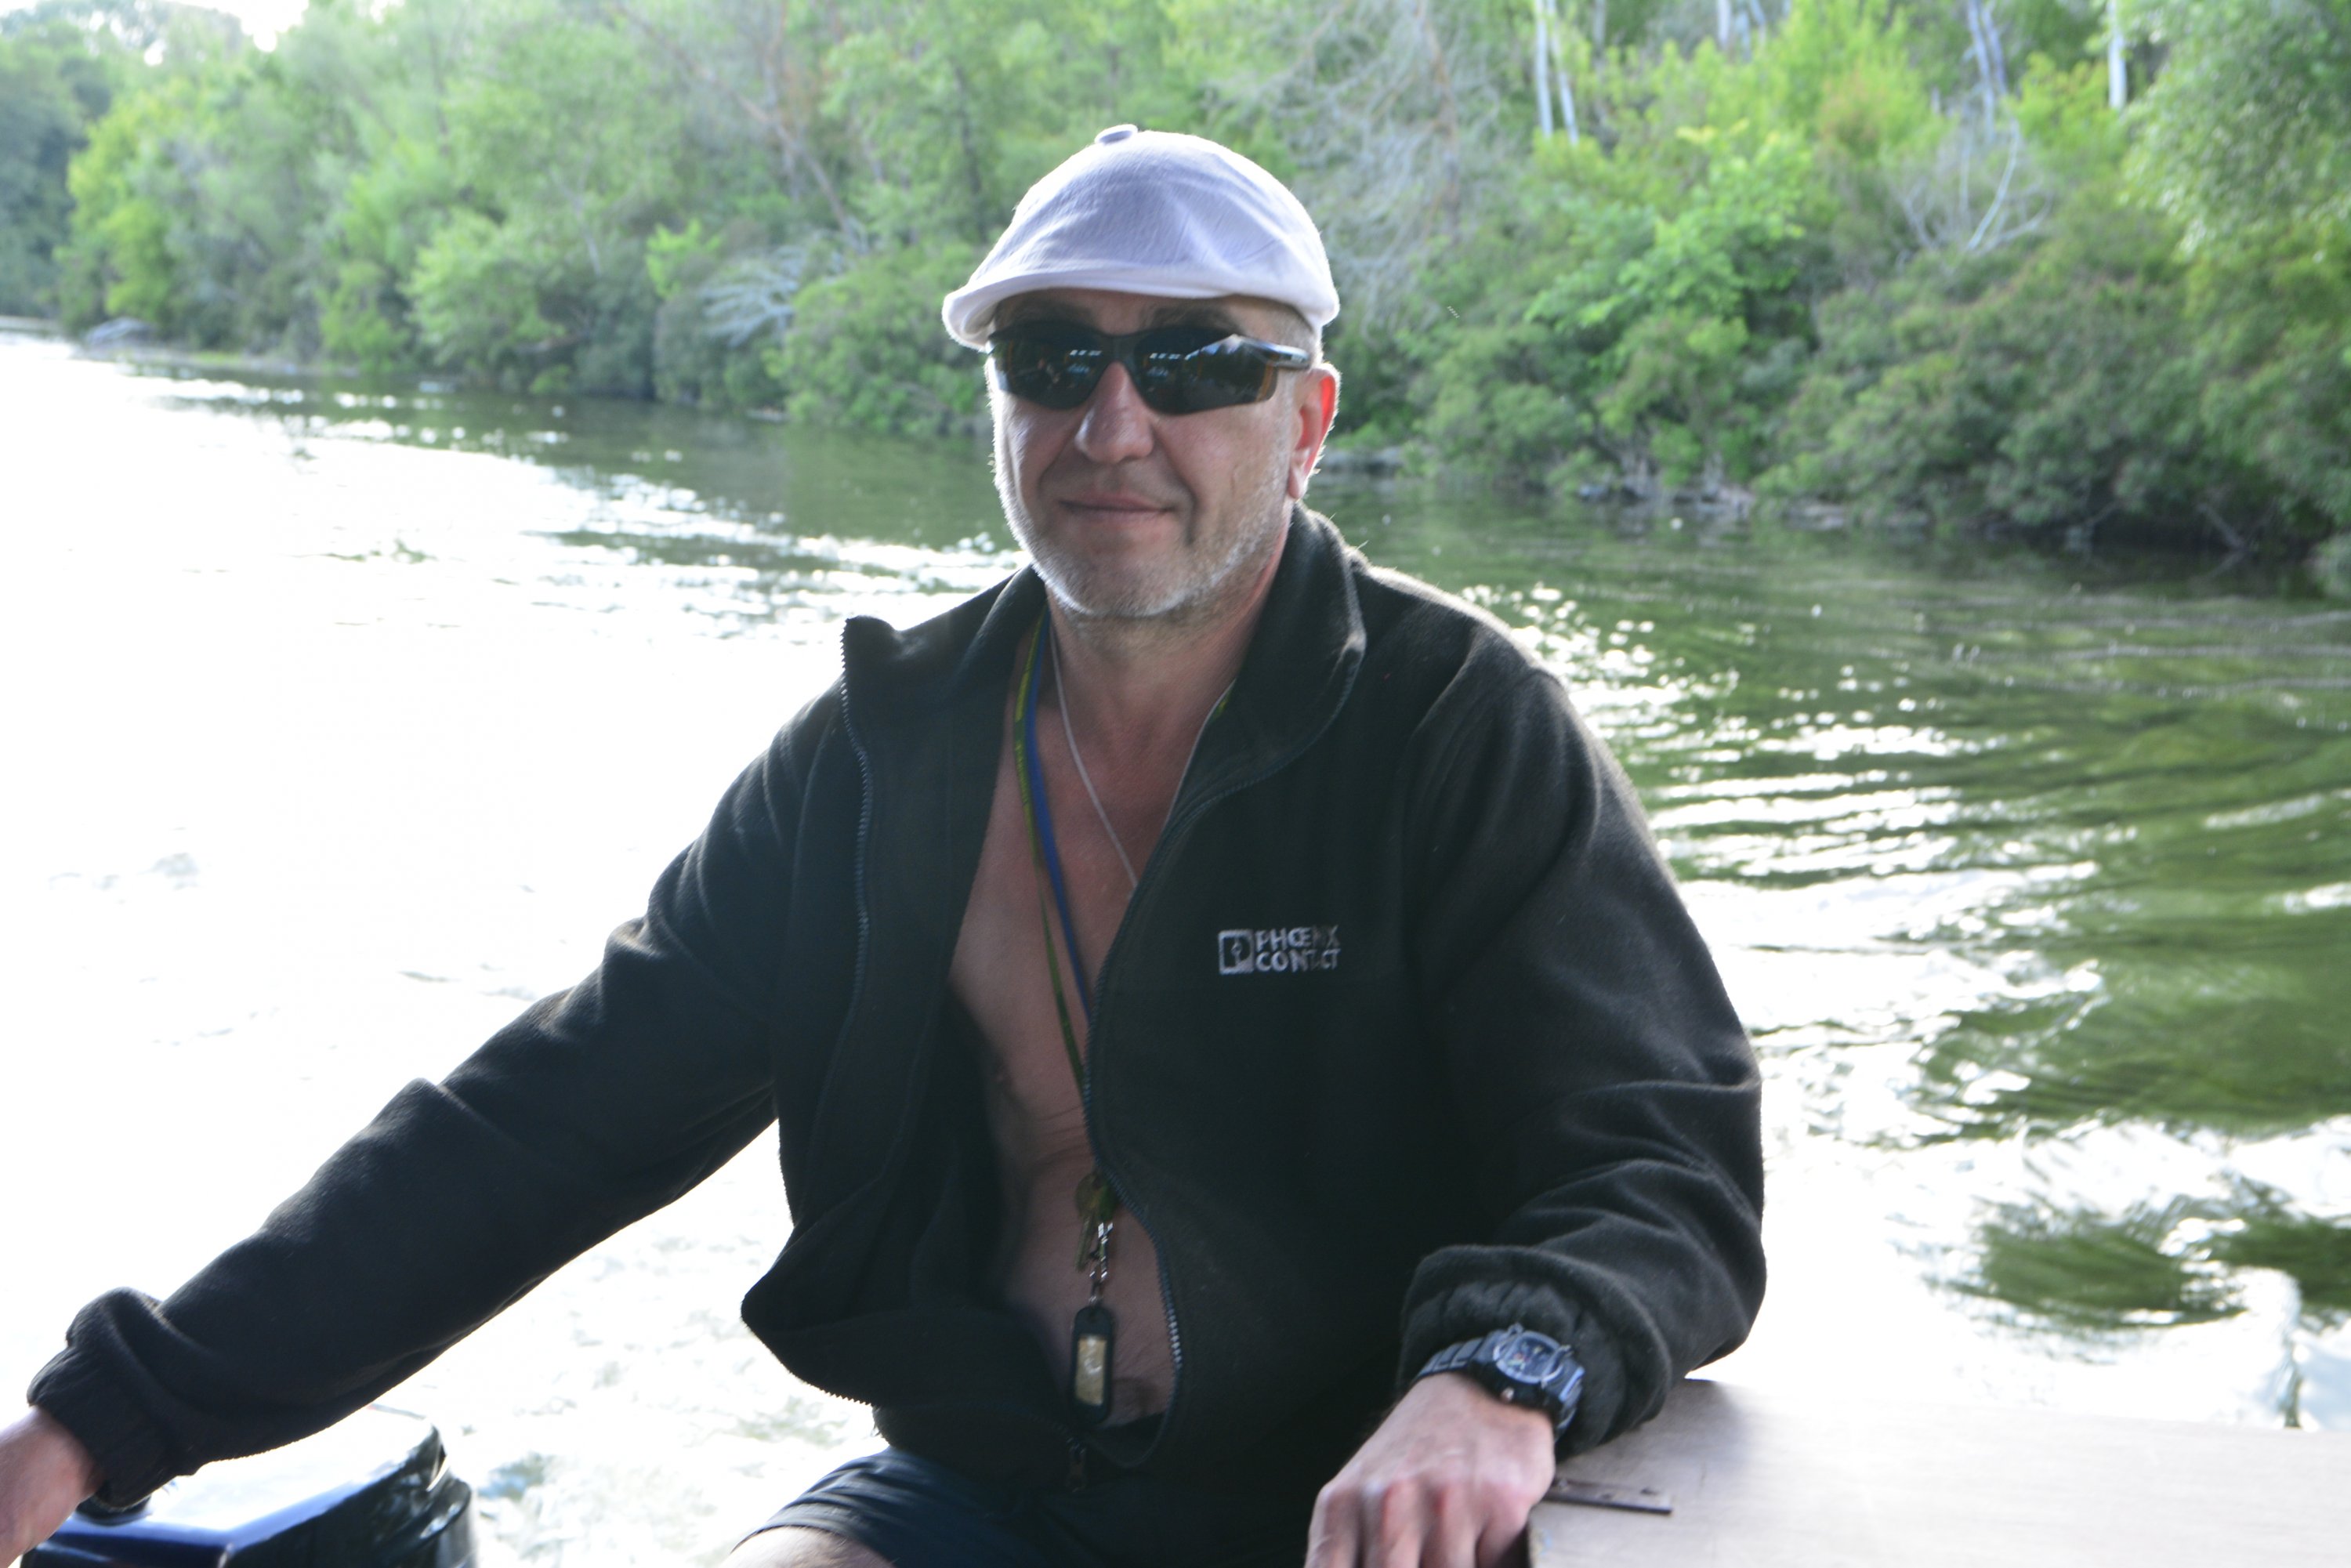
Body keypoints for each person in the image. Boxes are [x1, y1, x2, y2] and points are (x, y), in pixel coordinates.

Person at [0, 127, 1762, 1568]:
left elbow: (1667, 1156)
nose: (1114, 423)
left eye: (1193, 362)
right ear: (998, 406)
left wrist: (1498, 1374)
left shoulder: (1456, 725)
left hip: (1335, 1502)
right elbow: (542, 1124)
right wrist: (99, 1419)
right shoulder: (875, 761)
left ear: (1305, 422)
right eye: (1053, 358)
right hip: (984, 1491)